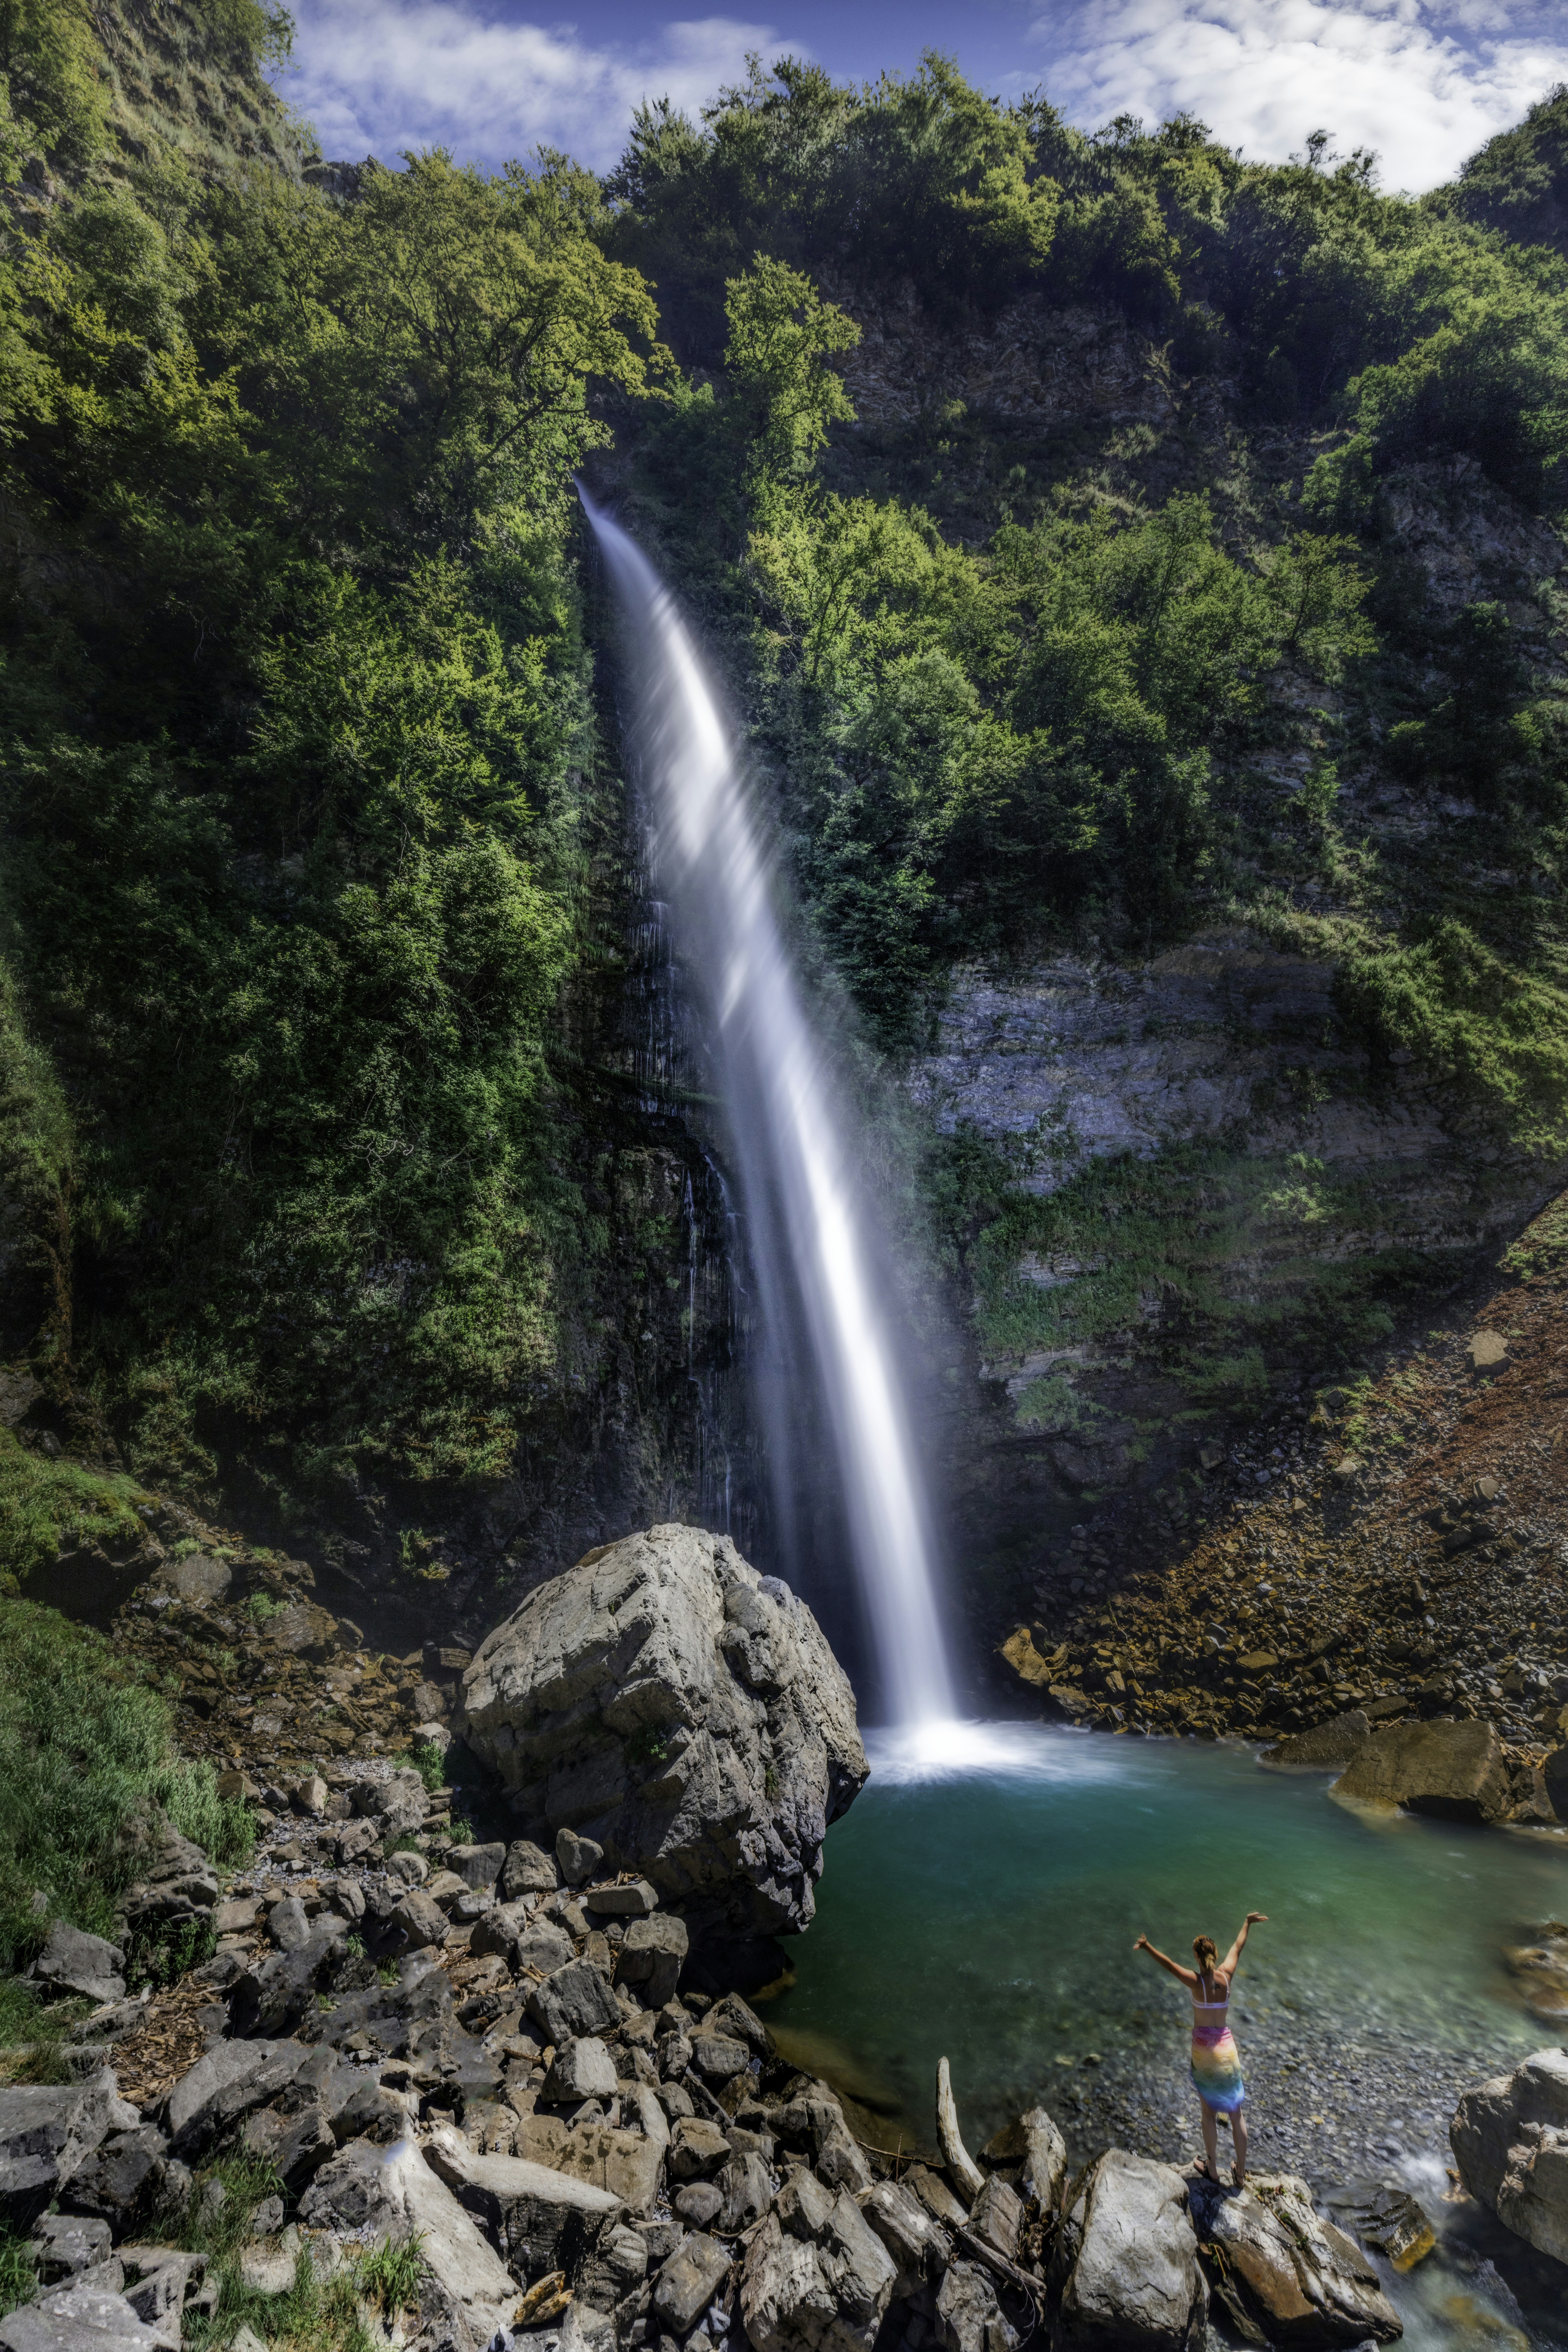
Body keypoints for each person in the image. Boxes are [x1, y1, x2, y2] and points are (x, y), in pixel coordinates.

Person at [1133, 1911, 1267, 2186]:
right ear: (1215, 1955)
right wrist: (1246, 1922)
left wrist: (1147, 1947)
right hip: (1228, 2049)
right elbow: (1238, 1946)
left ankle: (1213, 2169)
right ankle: (1241, 2174)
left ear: (1197, 1957)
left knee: (1208, 2113)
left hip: (1205, 2053)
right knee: (1236, 2114)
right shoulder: (1227, 1976)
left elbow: (1170, 1966)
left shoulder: (1197, 1982)